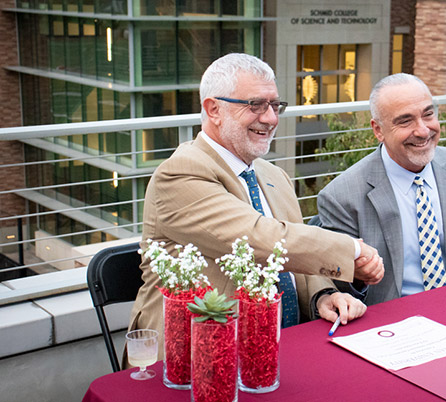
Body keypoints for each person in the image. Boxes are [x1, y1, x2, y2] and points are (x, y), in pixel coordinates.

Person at [128, 53, 384, 358]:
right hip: (198, 356)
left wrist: (322, 295)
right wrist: (352, 250)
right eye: (255, 105)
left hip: (281, 349)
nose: (271, 118)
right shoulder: (180, 173)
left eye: (274, 105)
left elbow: (291, 255)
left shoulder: (272, 175)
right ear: (214, 110)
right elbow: (261, 239)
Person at [317, 73, 446, 305]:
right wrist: (359, 277)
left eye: (428, 114)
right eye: (405, 121)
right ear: (378, 130)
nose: (422, 131)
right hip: (389, 324)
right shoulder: (341, 196)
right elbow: (341, 288)